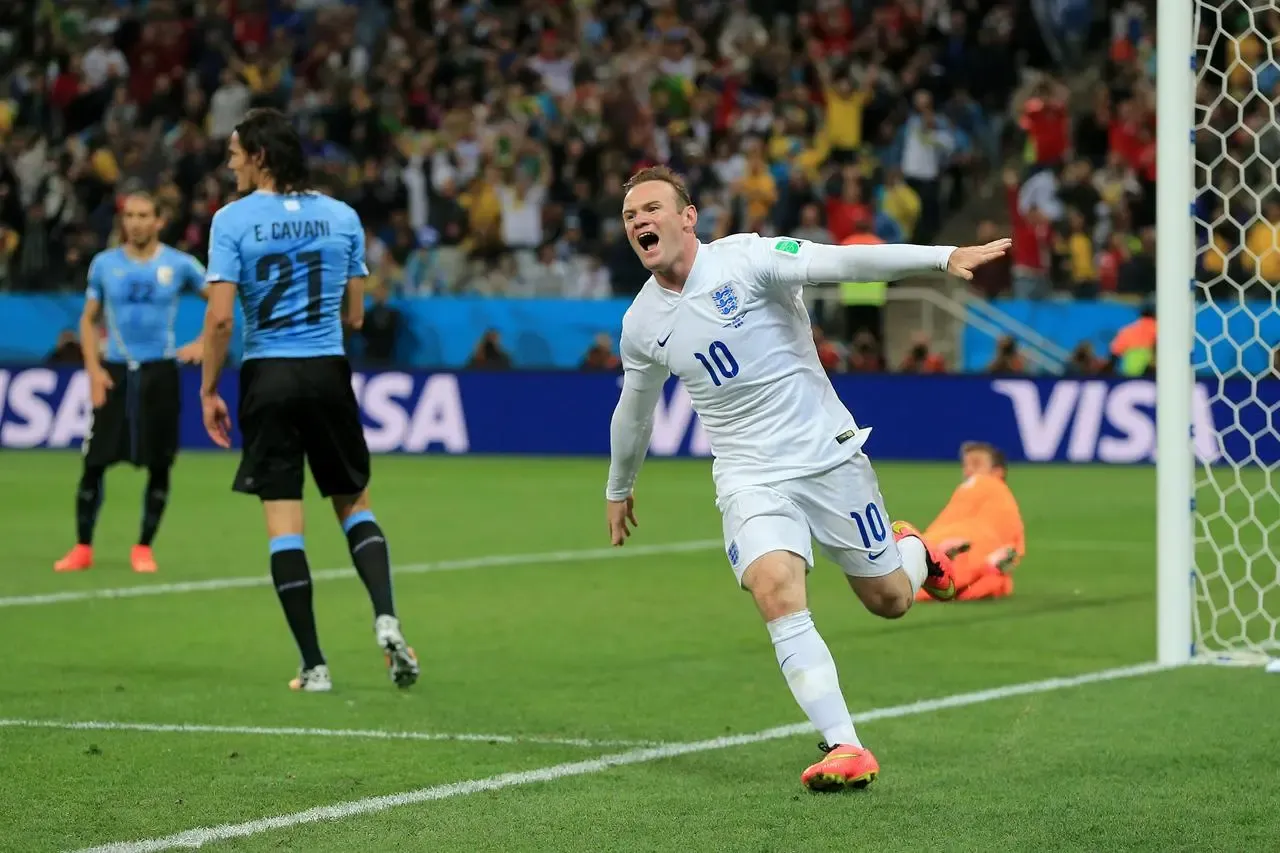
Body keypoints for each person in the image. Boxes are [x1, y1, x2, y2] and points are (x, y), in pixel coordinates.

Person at [604, 165, 1010, 791]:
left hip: (826, 457)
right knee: (773, 586)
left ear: (689, 217)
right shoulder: (641, 323)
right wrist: (618, 485)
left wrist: (942, 256)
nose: (639, 222)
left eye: (651, 209)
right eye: (630, 216)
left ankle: (915, 553)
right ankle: (846, 744)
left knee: (891, 600)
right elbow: (634, 409)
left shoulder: (749, 259)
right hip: (748, 474)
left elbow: (844, 264)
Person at [198, 108, 418, 693]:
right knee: (354, 503)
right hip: (326, 371)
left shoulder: (230, 221)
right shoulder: (342, 216)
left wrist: (207, 390)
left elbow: (220, 320)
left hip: (268, 375)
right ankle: (388, 620)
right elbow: (355, 314)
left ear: (261, 157)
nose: (230, 163)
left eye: (236, 152)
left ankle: (314, 665)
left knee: (284, 523)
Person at [54, 192, 206, 575]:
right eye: (131, 216)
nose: (136, 222)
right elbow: (88, 320)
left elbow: (222, 300)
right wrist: (93, 370)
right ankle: (83, 547)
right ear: (123, 221)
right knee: (95, 463)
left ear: (159, 221)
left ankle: (143, 547)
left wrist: (205, 342)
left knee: (160, 464)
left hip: (161, 372)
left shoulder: (180, 264)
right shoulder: (104, 265)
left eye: (145, 215)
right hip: (116, 371)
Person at [912, 442, 1025, 602]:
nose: (968, 470)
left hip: (973, 539)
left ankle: (944, 557)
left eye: (976, 464)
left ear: (997, 472)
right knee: (993, 583)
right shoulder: (995, 496)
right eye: (965, 465)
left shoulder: (982, 484)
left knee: (916, 578)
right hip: (980, 542)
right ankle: (987, 566)